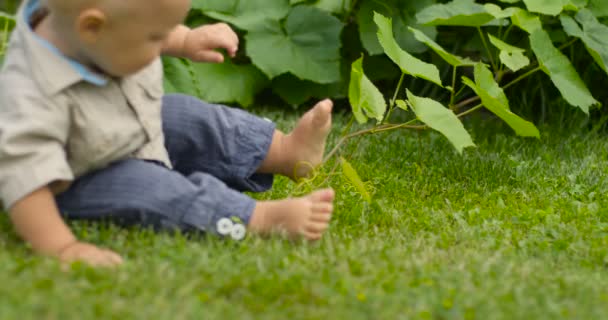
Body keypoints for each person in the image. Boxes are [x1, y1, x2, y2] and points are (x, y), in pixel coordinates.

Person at [0, 0, 336, 267]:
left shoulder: (93, 30)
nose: (162, 42)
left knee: (188, 117)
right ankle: (258, 218)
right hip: (80, 177)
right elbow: (25, 179)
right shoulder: (29, 97)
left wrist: (185, 40)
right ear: (92, 28)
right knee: (149, 187)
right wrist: (62, 247)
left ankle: (284, 152)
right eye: (155, 38)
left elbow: (139, 23)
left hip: (124, 127)